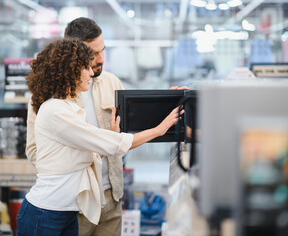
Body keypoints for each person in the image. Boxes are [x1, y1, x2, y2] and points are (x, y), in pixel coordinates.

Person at [17, 39, 182, 236]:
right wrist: (159, 129)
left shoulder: (69, 107)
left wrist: (166, 100)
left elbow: (88, 157)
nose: (91, 73)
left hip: (67, 214)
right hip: (43, 214)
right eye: (85, 68)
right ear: (69, 72)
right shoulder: (55, 111)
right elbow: (115, 144)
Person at [25, 17, 127, 236]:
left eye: (103, 50)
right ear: (74, 53)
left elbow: (130, 130)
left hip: (111, 199)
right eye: (93, 53)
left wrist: (171, 102)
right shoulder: (46, 94)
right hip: (74, 204)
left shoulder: (112, 83)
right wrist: (79, 160)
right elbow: (34, 151)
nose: (100, 59)